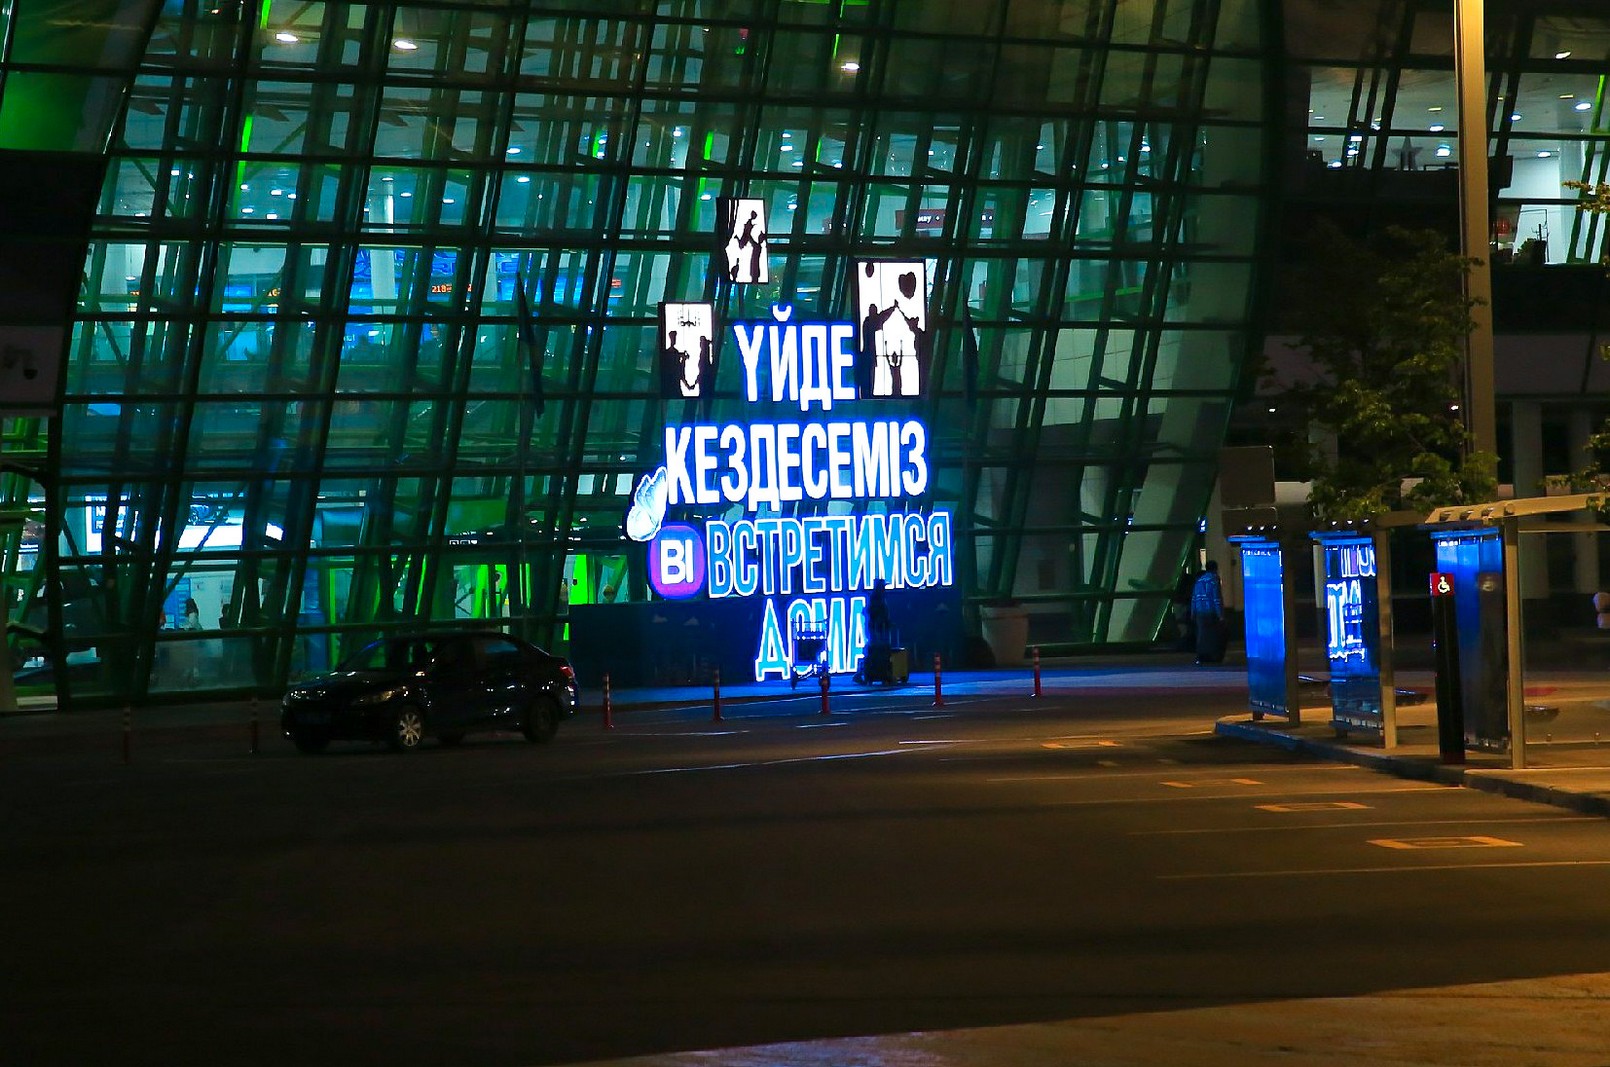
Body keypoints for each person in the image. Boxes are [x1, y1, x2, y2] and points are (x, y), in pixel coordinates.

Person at [1191, 560, 1225, 665]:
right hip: (1210, 612)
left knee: (1201, 635)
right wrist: (1220, 615)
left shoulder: (1199, 581)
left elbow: (1194, 598)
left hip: (1199, 612)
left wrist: (1193, 612)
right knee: (1213, 636)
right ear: (1215, 569)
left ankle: (1201, 657)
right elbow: (1216, 599)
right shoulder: (1214, 580)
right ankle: (1212, 657)